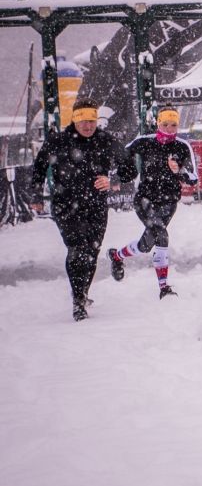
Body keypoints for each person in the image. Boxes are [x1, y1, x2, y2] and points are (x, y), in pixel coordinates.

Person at [29, 97, 137, 321]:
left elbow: (130, 169)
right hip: (66, 205)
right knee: (78, 249)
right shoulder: (58, 141)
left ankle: (82, 291)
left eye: (92, 121)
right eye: (83, 121)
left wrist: (112, 179)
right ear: (74, 120)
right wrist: (36, 195)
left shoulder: (105, 140)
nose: (88, 126)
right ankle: (78, 300)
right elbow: (39, 167)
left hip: (96, 206)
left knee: (92, 251)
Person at [107, 105, 198, 299]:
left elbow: (193, 178)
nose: (169, 129)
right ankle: (163, 287)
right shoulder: (145, 141)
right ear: (158, 124)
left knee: (147, 244)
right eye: (165, 124)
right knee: (161, 234)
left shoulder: (183, 146)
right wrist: (117, 176)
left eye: (173, 125)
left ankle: (116, 256)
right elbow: (122, 155)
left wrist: (179, 171)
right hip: (144, 200)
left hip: (168, 202)